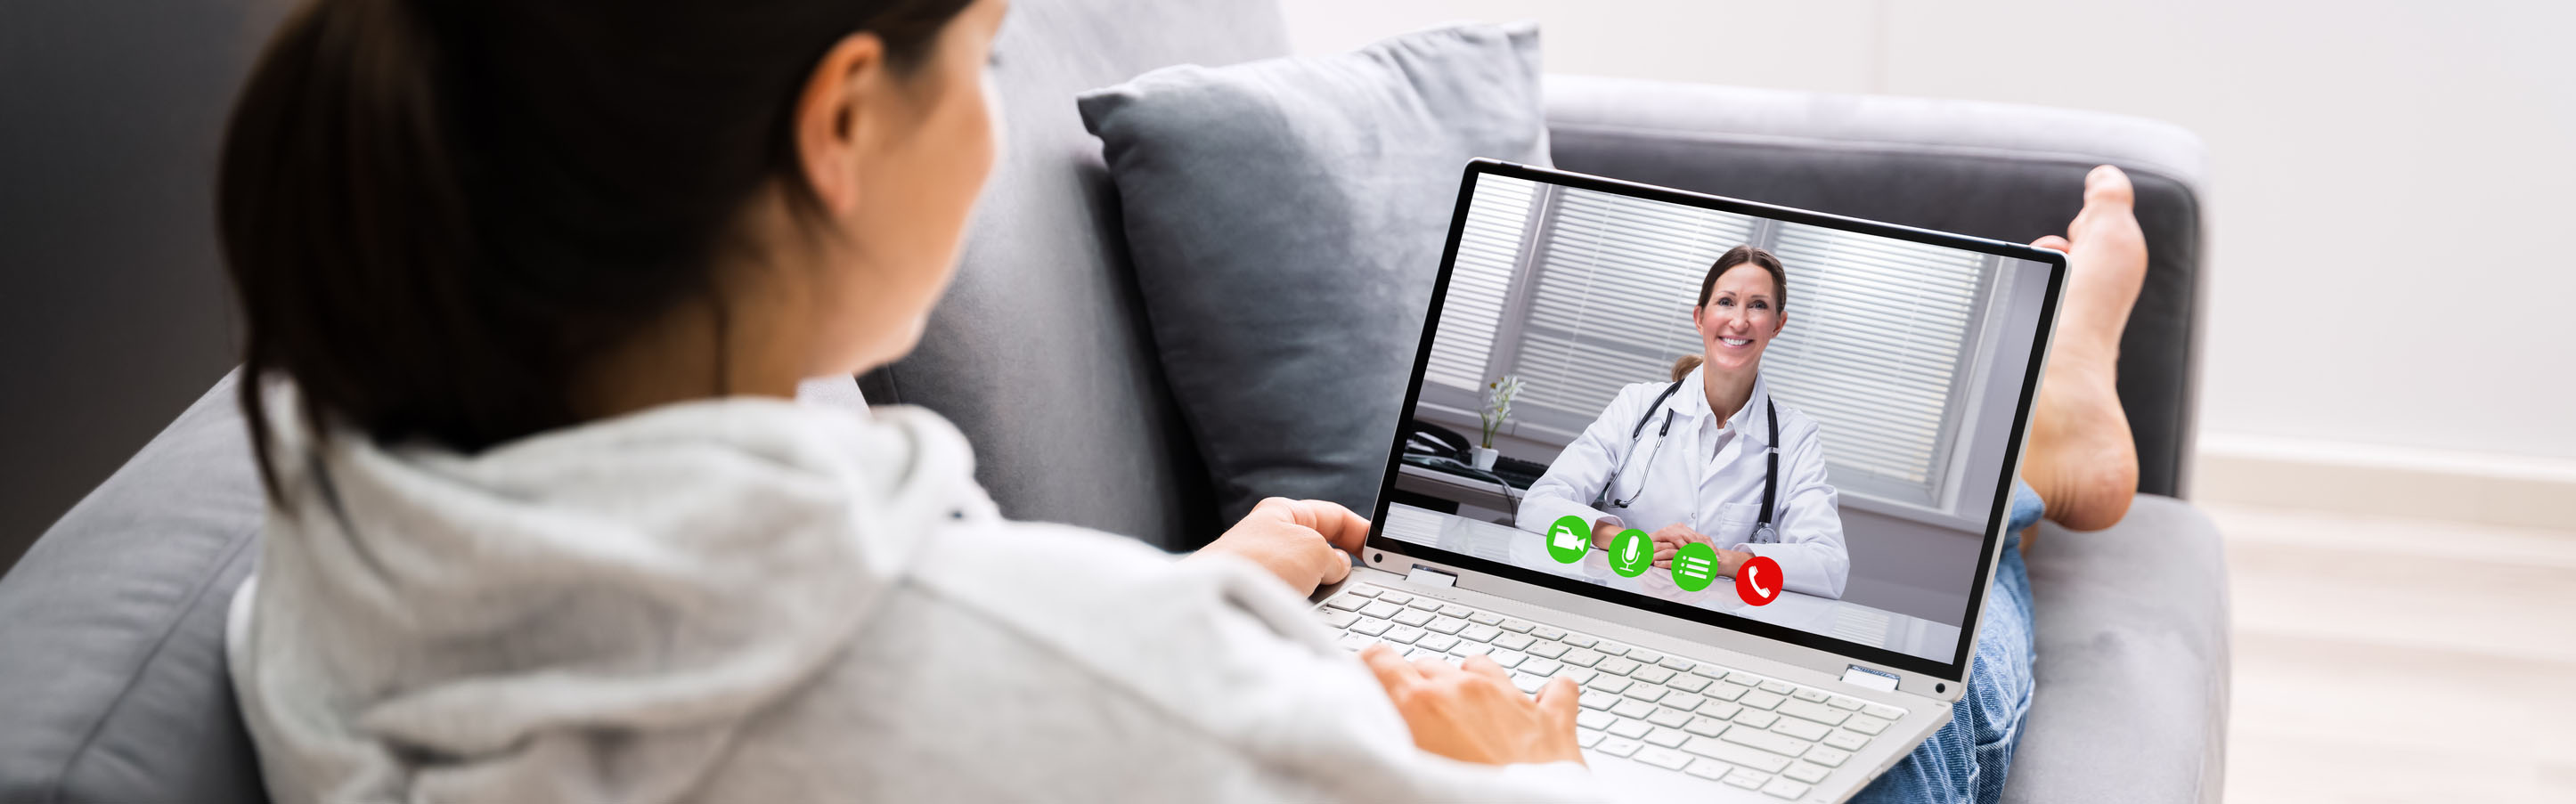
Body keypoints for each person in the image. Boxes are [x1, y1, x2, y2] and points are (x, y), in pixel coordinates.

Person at [212, 0, 2151, 801]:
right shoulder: (1123, 696)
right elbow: (1003, 690)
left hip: (1586, 594)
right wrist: (1515, 764)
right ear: (838, 126)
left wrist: (1186, 589)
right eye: (980, 52)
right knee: (1927, 671)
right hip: (1554, 694)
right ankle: (2038, 447)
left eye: (1751, 308)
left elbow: (902, 652)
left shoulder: (336, 561)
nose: (996, 112)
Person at [1515, 245, 1851, 599]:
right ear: (1699, 317)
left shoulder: (1795, 437)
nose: (1739, 321)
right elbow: (1539, 506)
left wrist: (1717, 560)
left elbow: (1828, 567)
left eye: (1758, 305)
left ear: (1778, 324)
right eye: (1725, 302)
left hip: (1715, 631)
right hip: (1612, 604)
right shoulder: (1637, 405)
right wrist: (1633, 544)